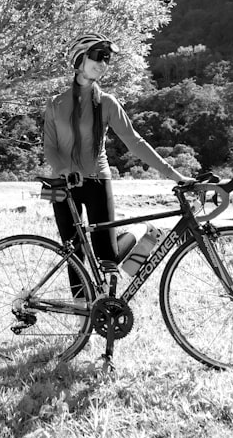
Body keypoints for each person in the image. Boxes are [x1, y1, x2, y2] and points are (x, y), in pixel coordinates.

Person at [43, 32, 192, 279]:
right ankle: (83, 314)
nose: (103, 64)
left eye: (107, 59)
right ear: (79, 58)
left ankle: (141, 230)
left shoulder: (107, 103)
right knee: (74, 255)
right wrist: (65, 170)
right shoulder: (55, 104)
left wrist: (174, 175)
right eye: (99, 57)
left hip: (97, 180)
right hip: (62, 184)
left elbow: (135, 142)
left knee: (107, 258)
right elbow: (49, 147)